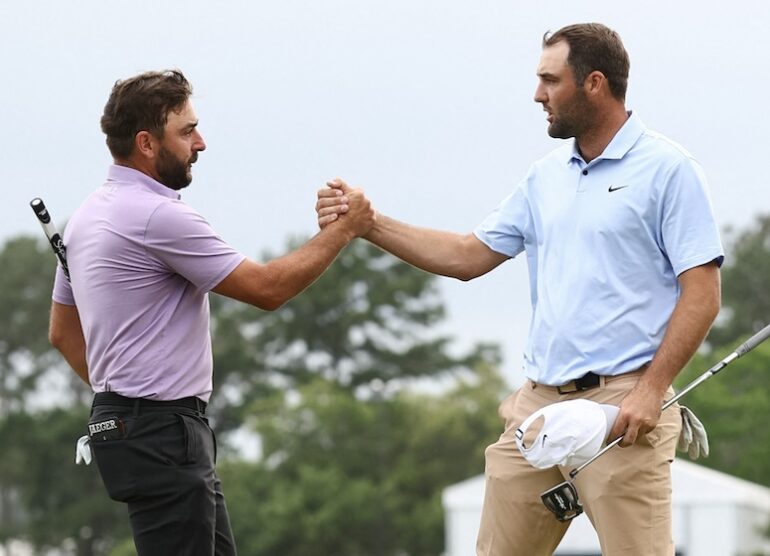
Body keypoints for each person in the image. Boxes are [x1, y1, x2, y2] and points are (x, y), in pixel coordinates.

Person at [316, 23, 723, 555]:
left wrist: (652, 389)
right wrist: (368, 224)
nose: (538, 95)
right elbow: (467, 256)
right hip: (536, 410)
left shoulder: (670, 170)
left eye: (550, 81)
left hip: (625, 410)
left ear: (594, 83)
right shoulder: (545, 176)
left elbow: (703, 293)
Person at [48, 69, 374, 555]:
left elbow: (61, 333)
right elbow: (268, 289)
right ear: (146, 143)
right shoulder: (158, 215)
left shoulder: (88, 215)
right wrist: (346, 229)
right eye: (186, 131)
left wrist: (123, 405)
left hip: (136, 428)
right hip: (164, 433)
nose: (200, 142)